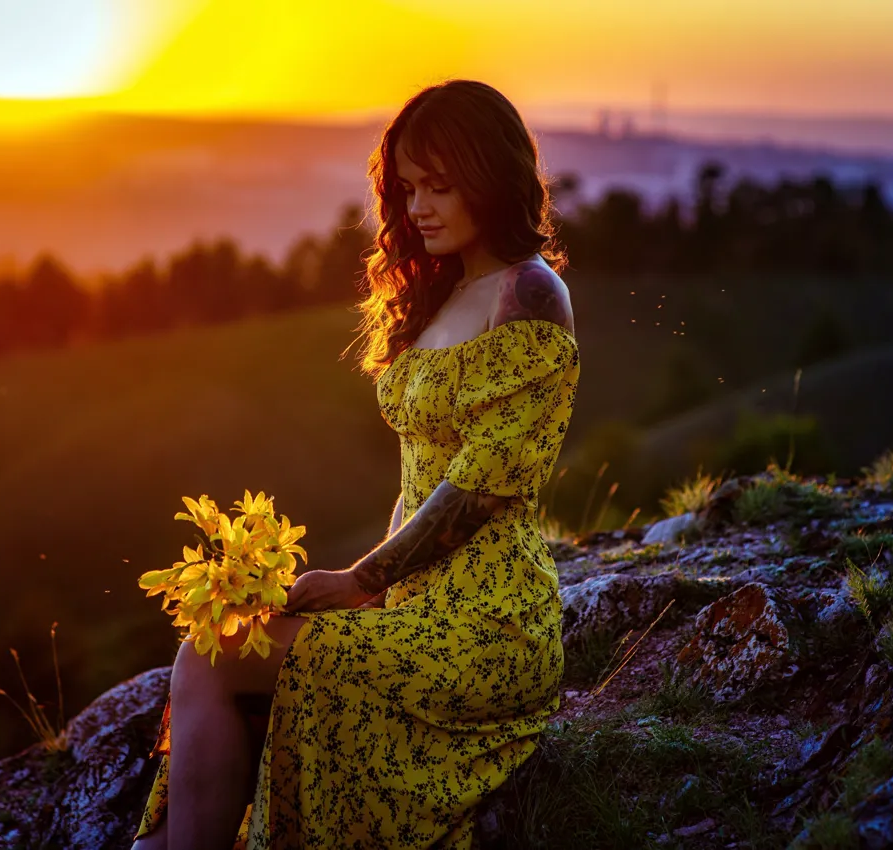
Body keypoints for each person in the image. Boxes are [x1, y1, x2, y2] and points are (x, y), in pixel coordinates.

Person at [131, 78, 579, 850]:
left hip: (489, 625)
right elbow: (416, 480)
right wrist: (371, 591)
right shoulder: (443, 291)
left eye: (440, 186)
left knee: (216, 660)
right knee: (216, 646)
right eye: (408, 190)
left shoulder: (530, 296)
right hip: (414, 610)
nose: (419, 209)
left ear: (492, 177)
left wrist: (362, 579)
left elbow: (476, 485)